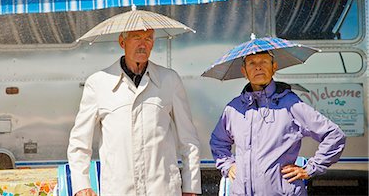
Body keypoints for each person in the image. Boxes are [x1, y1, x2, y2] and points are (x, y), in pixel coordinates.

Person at [67, 29, 202, 196]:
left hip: (163, 189)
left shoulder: (170, 80)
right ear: (122, 42)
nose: (143, 44)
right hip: (119, 190)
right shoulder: (98, 83)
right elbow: (79, 142)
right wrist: (81, 185)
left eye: (148, 39)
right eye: (136, 38)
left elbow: (188, 140)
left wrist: (191, 186)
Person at [210, 50, 346, 196]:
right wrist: (228, 165)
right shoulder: (234, 108)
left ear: (274, 67)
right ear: (244, 71)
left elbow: (334, 135)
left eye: (264, 62)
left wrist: (310, 168)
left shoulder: (291, 104)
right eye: (252, 63)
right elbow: (218, 141)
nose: (258, 67)